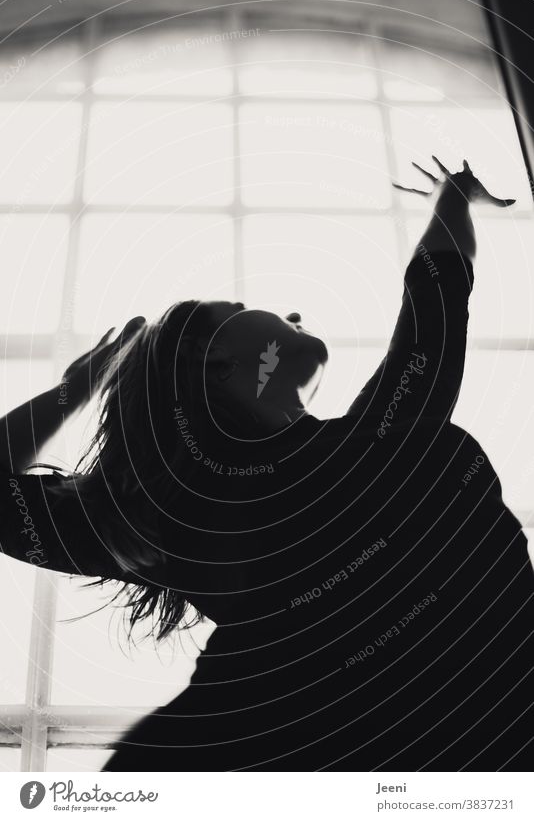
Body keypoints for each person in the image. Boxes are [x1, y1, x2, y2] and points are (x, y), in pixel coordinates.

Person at [1, 158, 532, 771]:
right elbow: (435, 296)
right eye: (245, 309)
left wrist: (77, 389)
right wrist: (453, 197)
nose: (293, 312)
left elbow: (434, 295)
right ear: (216, 363)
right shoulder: (382, 441)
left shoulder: (158, 525)